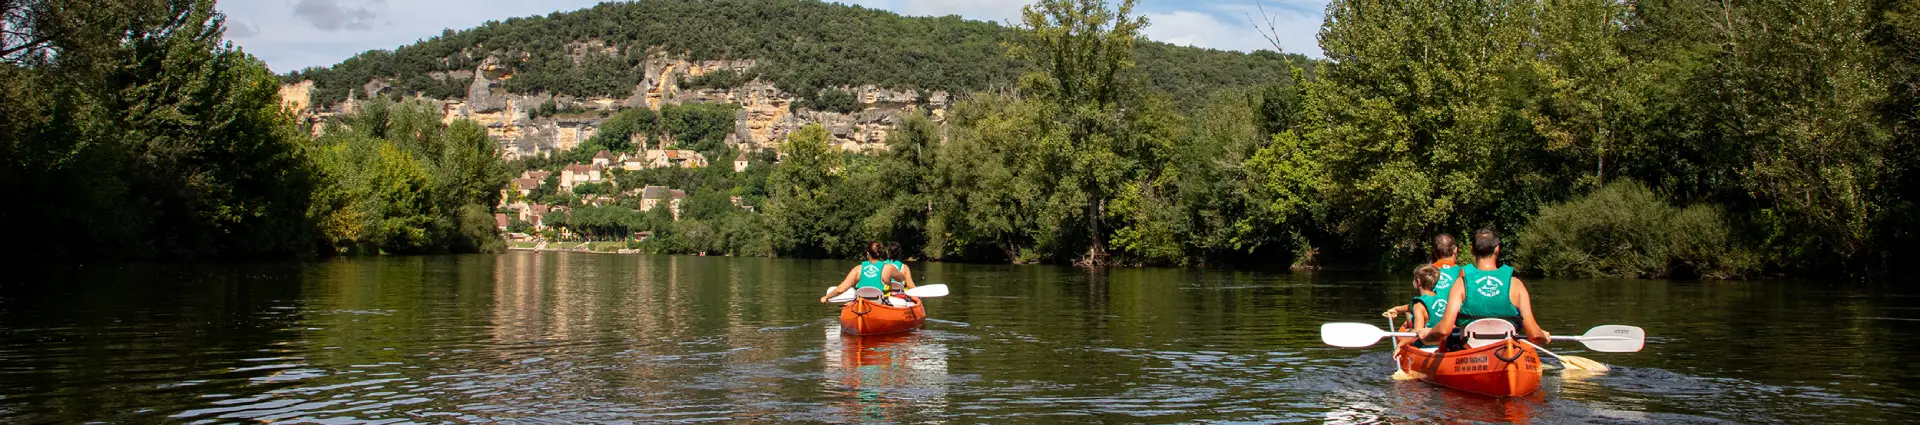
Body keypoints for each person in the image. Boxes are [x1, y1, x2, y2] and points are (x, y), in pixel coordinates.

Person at [1422, 227, 1549, 348]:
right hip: (1507, 351)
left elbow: (1444, 331)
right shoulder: (1516, 285)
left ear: (1472, 249)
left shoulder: (1460, 284)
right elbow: (1534, 335)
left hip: (1470, 351)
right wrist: (1544, 336)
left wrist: (1426, 336)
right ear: (1497, 249)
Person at [1380, 234, 1462, 319]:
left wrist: (1397, 309)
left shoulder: (1426, 272)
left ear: (1434, 251)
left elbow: (1424, 302)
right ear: (1455, 250)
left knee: (1409, 314)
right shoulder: (1465, 273)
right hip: (1456, 321)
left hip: (1433, 320)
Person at [821, 241, 906, 304]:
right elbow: (902, 279)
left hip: (861, 305)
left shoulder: (857, 269)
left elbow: (840, 289)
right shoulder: (888, 268)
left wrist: (826, 297)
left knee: (847, 305)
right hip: (880, 304)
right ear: (880, 254)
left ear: (867, 254)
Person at [1382, 265, 1445, 349]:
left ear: (1418, 282)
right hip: (1442, 344)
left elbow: (1417, 331)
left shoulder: (1418, 306)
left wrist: (1399, 345)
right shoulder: (1441, 298)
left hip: (1424, 346)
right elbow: (1414, 307)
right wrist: (1396, 309)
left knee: (1410, 332)